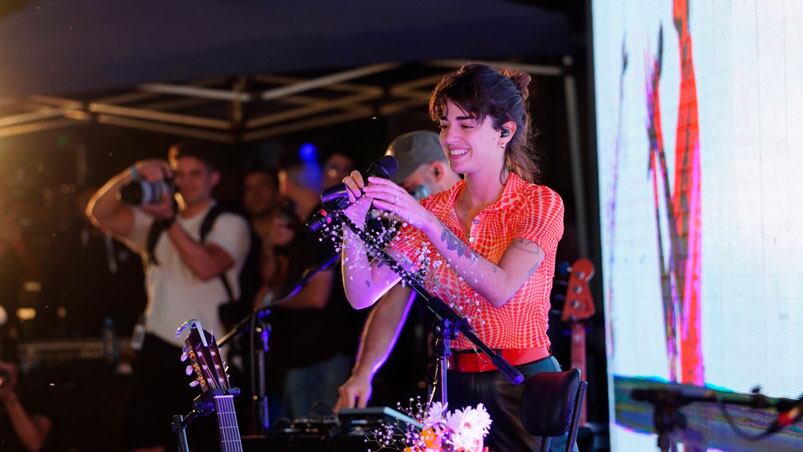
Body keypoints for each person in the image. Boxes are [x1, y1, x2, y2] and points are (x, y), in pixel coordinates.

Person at [339, 63, 568, 451]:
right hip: (454, 384)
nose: (450, 137)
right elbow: (363, 294)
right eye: (445, 124)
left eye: (466, 124)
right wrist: (352, 227)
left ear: (504, 132)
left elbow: (500, 288)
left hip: (523, 384)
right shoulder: (434, 209)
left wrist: (427, 223)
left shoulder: (538, 202)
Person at [86, 142, 251, 452]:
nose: (186, 182)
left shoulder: (229, 222)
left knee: (205, 443)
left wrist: (170, 218)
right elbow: (98, 213)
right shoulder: (152, 223)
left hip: (207, 355)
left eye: (196, 174)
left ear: (214, 178)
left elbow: (206, 267)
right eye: (180, 174)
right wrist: (132, 173)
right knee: (143, 439)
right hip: (158, 344)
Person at [335, 130, 461, 410]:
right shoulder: (416, 232)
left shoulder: (476, 213)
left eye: (405, 188)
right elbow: (383, 302)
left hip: (500, 373)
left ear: (438, 171)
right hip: (449, 375)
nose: (395, 201)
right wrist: (362, 374)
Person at [0, 360, 56, 452]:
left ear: (14, 366)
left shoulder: (36, 395)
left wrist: (9, 398)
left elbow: (35, 445)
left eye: (4, 363)